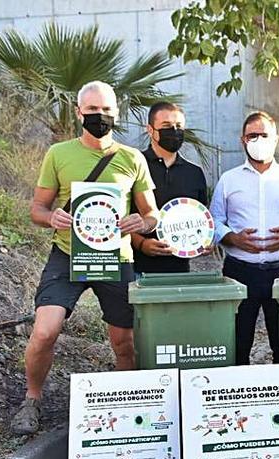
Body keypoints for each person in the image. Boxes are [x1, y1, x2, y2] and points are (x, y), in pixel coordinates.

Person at [11, 81, 158, 435]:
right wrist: (51, 218)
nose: (100, 116)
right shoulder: (59, 154)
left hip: (115, 258)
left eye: (106, 110)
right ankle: (31, 400)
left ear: (116, 113)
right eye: (92, 110)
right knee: (45, 331)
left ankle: (127, 401)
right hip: (67, 254)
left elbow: (152, 214)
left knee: (125, 342)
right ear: (79, 112)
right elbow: (37, 208)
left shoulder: (132, 158)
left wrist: (143, 222)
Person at [210, 111, 279, 365]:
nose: (258, 140)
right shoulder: (228, 180)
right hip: (239, 272)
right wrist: (232, 238)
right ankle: (237, 399)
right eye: (252, 135)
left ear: (276, 139)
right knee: (236, 344)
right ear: (242, 140)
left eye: (264, 135)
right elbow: (213, 222)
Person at [131, 102, 209, 274]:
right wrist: (141, 243)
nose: (174, 132)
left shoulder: (194, 173)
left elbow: (201, 218)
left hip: (180, 271)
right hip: (137, 271)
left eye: (179, 126)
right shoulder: (133, 166)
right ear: (150, 130)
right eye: (166, 126)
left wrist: (204, 241)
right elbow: (119, 218)